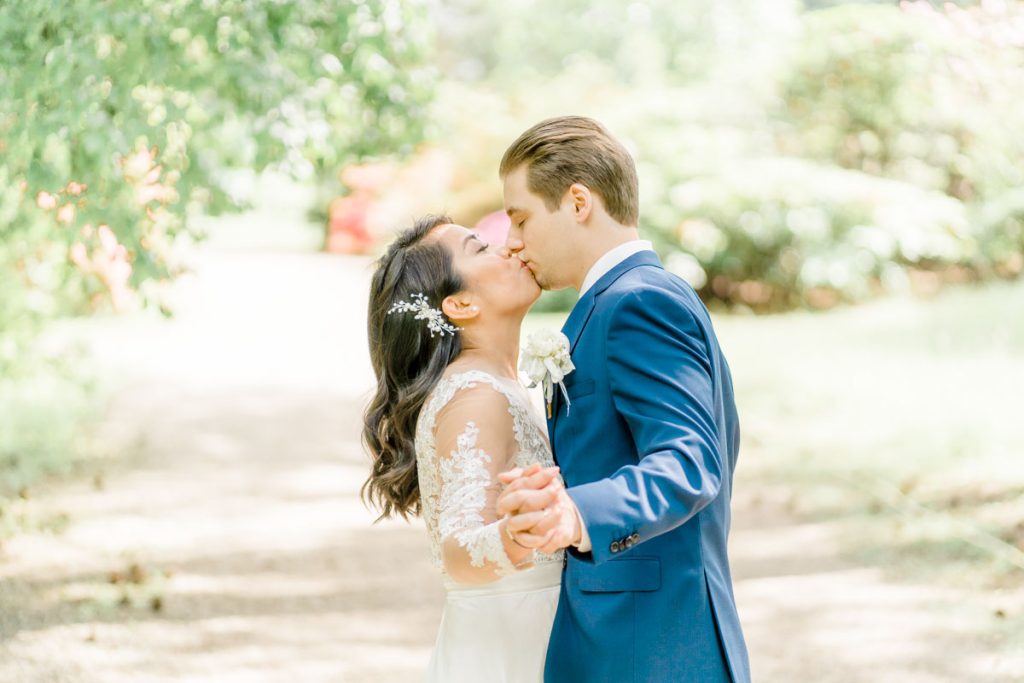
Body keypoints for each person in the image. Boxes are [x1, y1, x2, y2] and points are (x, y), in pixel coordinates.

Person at [496, 116, 752, 683]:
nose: (511, 240)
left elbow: (690, 462)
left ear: (578, 202)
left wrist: (575, 514)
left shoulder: (639, 303)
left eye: (521, 218)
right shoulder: (612, 302)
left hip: (653, 647)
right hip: (624, 639)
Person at [362, 214, 563, 681]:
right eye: (481, 248)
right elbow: (457, 548)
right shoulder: (475, 396)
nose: (508, 247)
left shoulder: (488, 384)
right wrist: (515, 535)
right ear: (461, 304)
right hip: (510, 647)